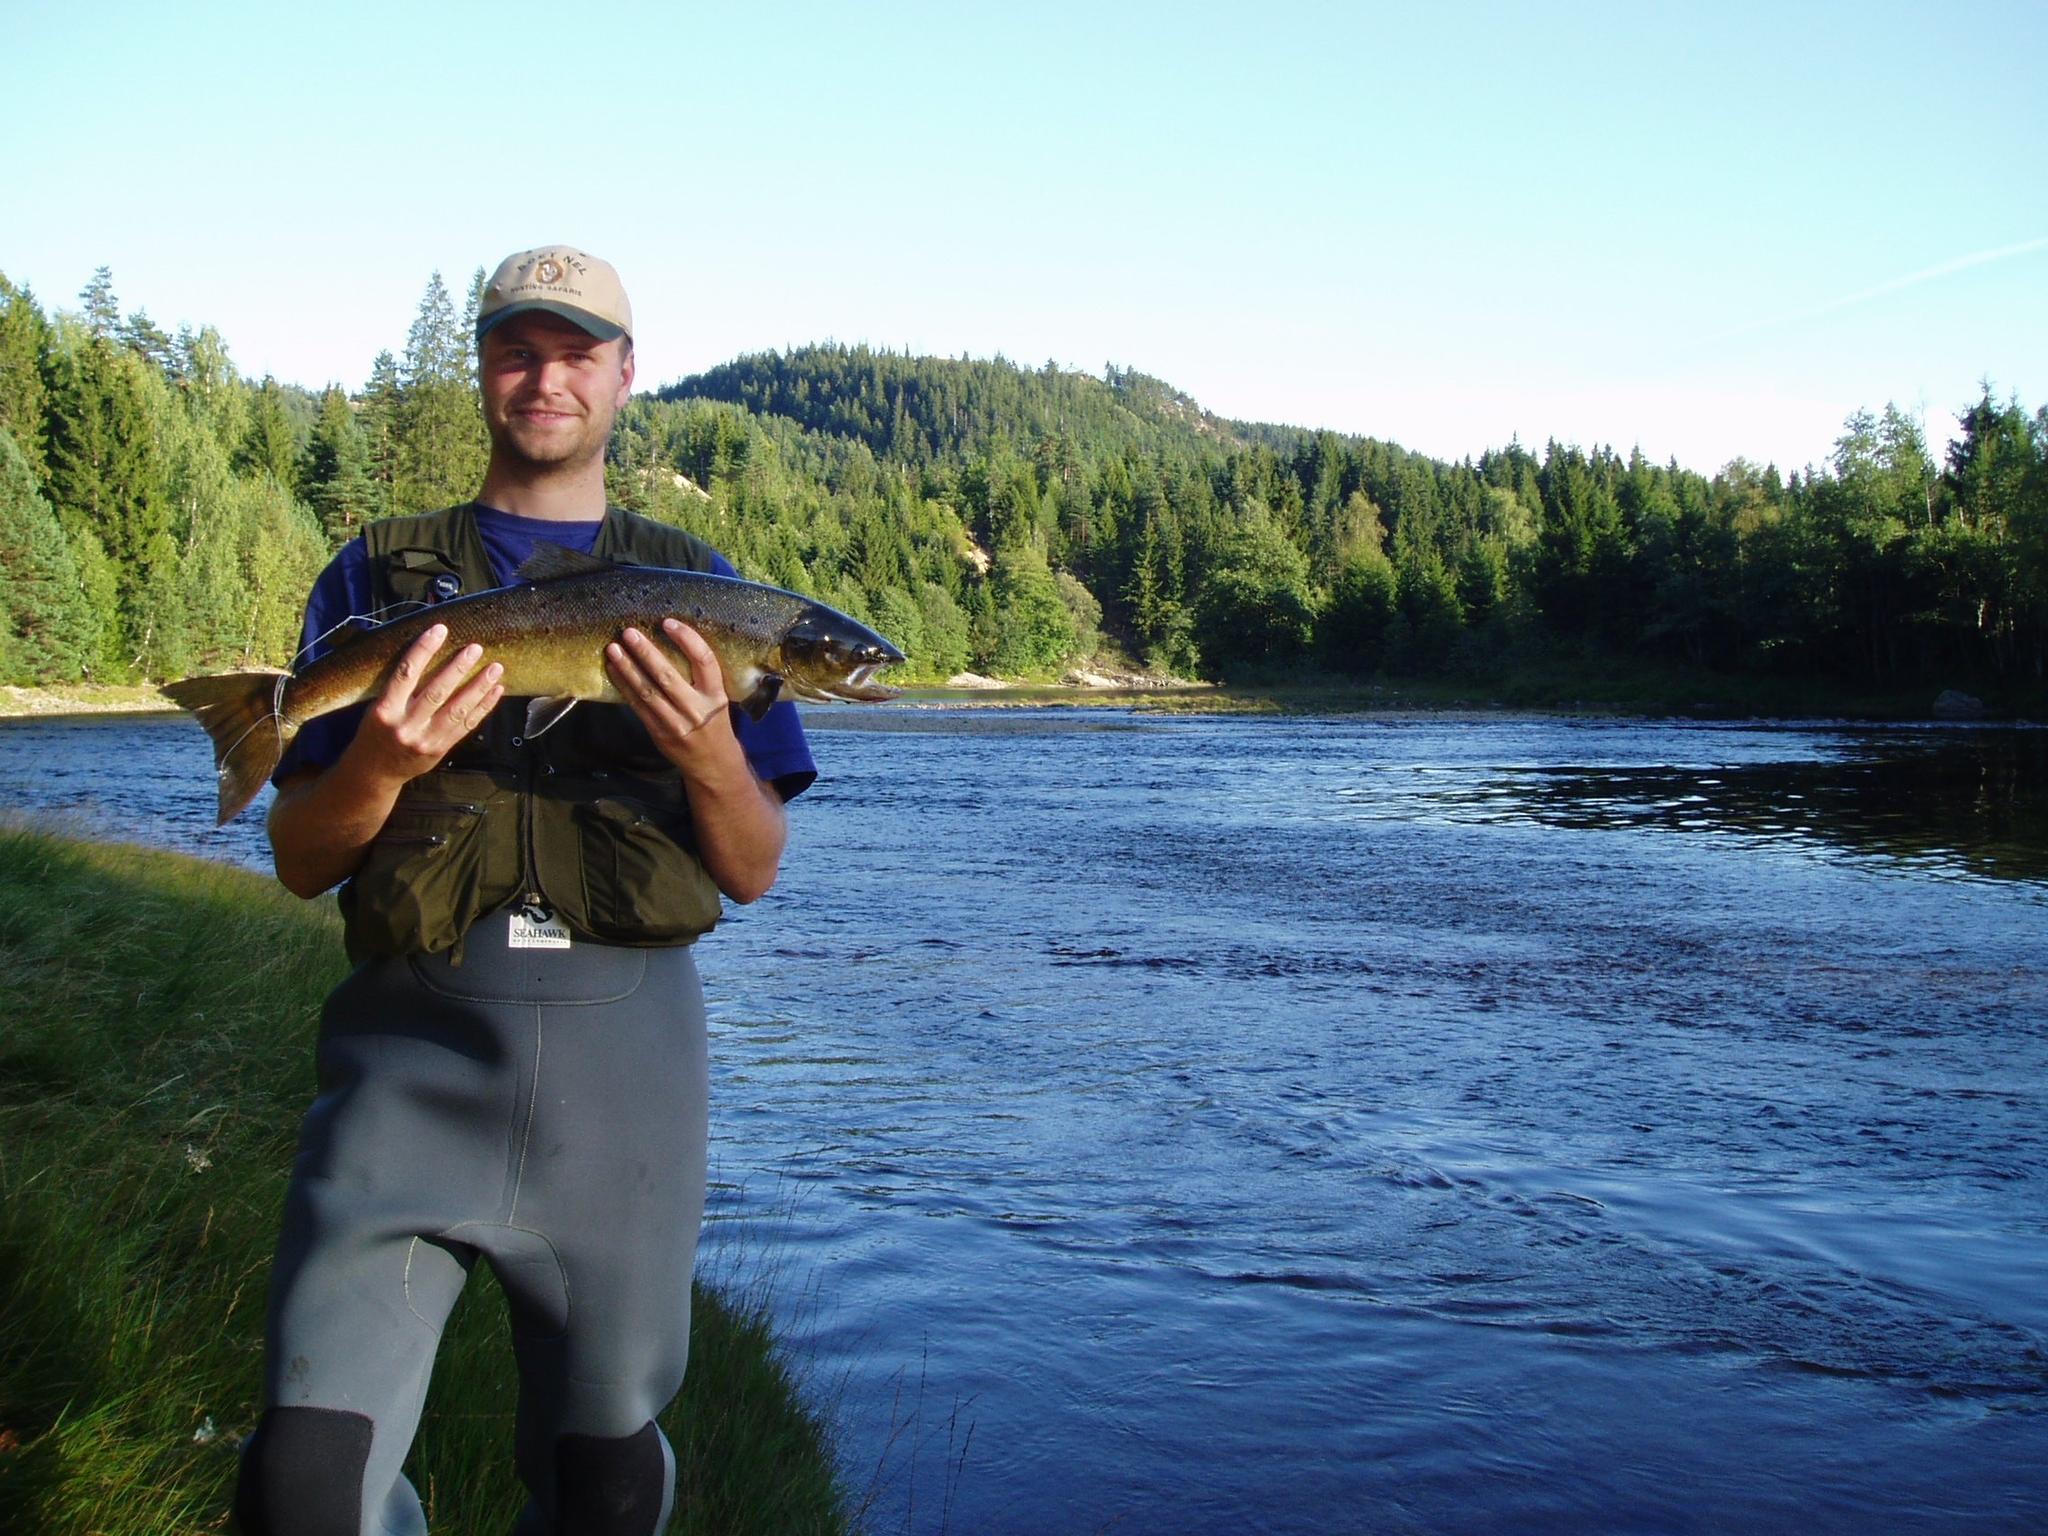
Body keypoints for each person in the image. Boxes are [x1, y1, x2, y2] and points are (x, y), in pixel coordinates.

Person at [233, 246, 815, 1536]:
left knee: (606, 1490)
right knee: (301, 1489)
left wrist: (708, 749)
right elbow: (303, 859)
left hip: (628, 1091)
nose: (547, 379)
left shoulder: (708, 591)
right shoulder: (377, 574)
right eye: (517, 350)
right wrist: (382, 760)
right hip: (404, 1071)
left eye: (576, 354)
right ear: (484, 369)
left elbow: (754, 869)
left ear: (626, 375)